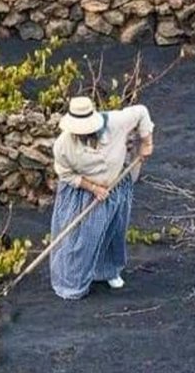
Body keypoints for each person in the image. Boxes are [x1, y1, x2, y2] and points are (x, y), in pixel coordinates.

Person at [49, 95, 154, 299]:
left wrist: (147, 142)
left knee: (112, 230)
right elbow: (66, 174)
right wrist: (93, 188)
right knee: (80, 238)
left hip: (115, 187)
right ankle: (72, 282)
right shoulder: (63, 145)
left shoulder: (115, 122)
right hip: (82, 193)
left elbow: (142, 111)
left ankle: (107, 271)